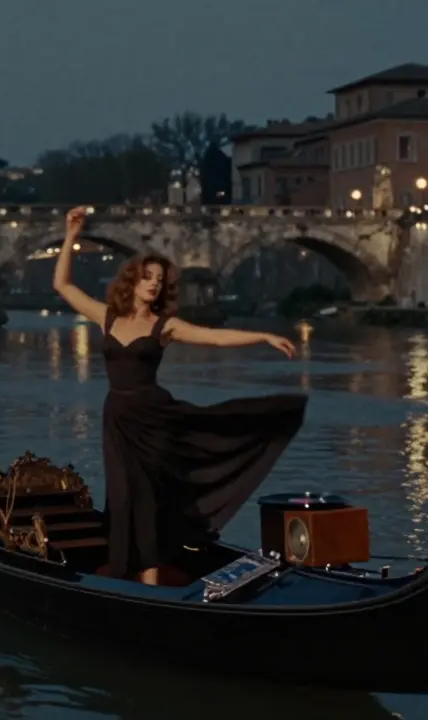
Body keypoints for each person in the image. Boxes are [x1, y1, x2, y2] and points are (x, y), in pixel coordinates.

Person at [51, 206, 309, 585]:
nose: (154, 283)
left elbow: (215, 336)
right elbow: (63, 286)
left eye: (159, 279)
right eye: (147, 277)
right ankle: (122, 571)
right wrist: (71, 235)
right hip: (118, 417)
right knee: (121, 499)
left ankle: (152, 579)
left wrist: (263, 335)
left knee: (150, 499)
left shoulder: (164, 326)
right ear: (133, 281)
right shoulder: (105, 316)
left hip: (155, 417)